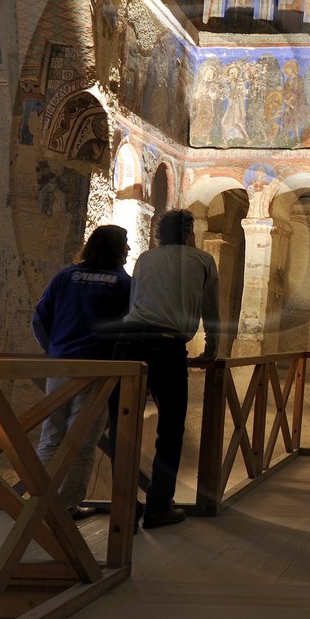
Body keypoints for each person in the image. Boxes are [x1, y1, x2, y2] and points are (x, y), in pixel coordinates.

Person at [113, 210, 221, 529]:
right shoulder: (202, 260)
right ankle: (158, 505)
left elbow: (135, 302)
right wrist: (211, 349)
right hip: (167, 346)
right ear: (189, 232)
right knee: (170, 430)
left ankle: (124, 506)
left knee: (121, 426)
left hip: (129, 343)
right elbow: (211, 310)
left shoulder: (145, 259)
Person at [32, 225, 133, 518]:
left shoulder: (65, 277)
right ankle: (66, 506)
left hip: (61, 365)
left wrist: (54, 350)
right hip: (98, 368)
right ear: (115, 248)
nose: (128, 250)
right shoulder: (123, 284)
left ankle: (39, 502)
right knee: (82, 439)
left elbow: (40, 318)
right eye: (124, 244)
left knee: (51, 435)